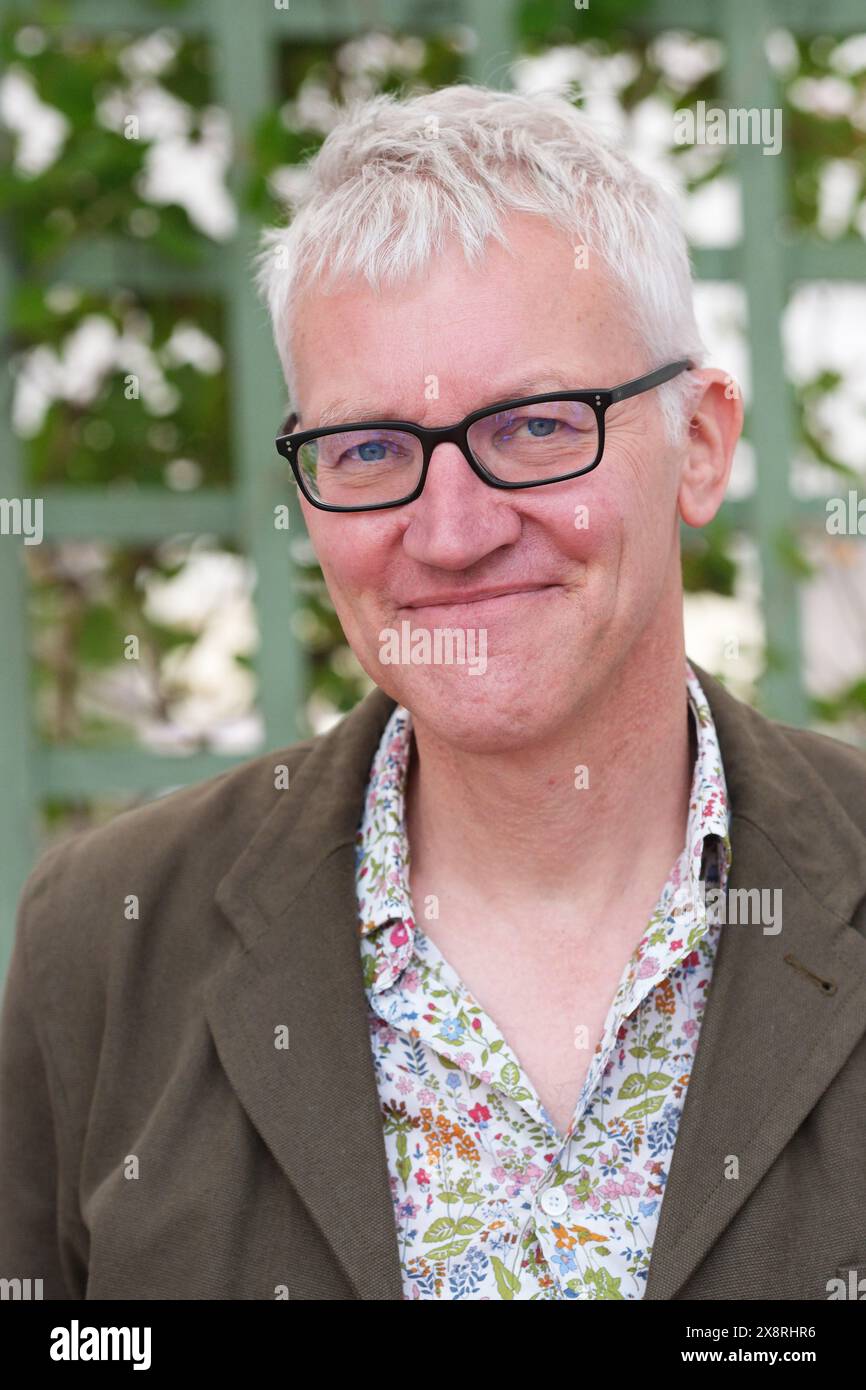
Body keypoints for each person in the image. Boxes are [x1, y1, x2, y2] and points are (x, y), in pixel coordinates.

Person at [2, 85, 865, 1303]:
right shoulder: (108, 938)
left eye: (530, 426)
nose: (450, 532)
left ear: (701, 442)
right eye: (367, 451)